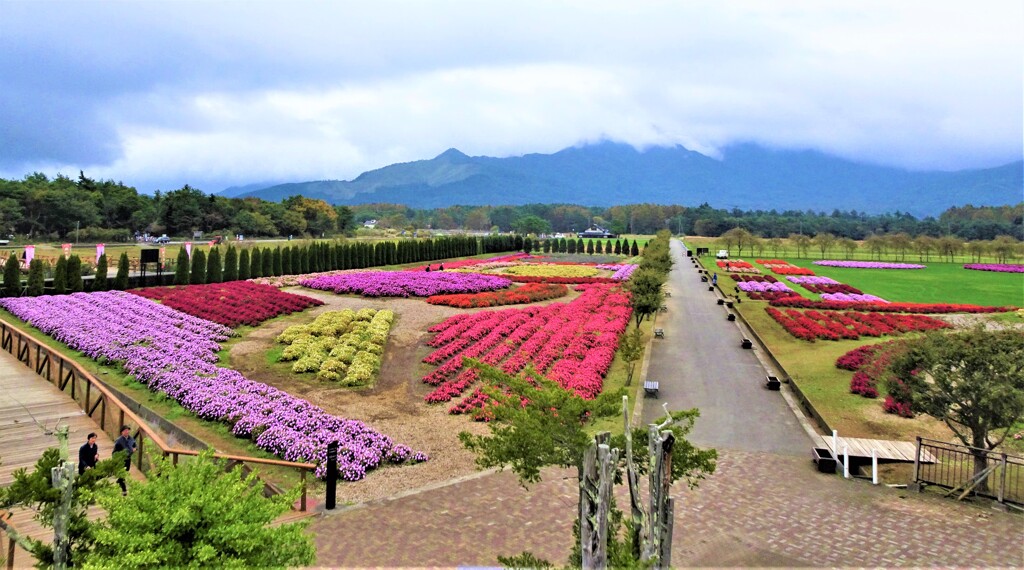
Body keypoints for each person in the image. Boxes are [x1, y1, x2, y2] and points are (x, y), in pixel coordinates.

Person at [113, 426, 137, 495]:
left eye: (128, 430)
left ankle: (119, 481)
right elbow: (115, 451)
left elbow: (135, 445)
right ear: (122, 432)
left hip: (128, 458)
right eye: (126, 430)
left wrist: (135, 448)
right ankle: (124, 490)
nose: (127, 432)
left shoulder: (130, 438)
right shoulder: (119, 441)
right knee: (122, 473)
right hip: (121, 459)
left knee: (126, 471)